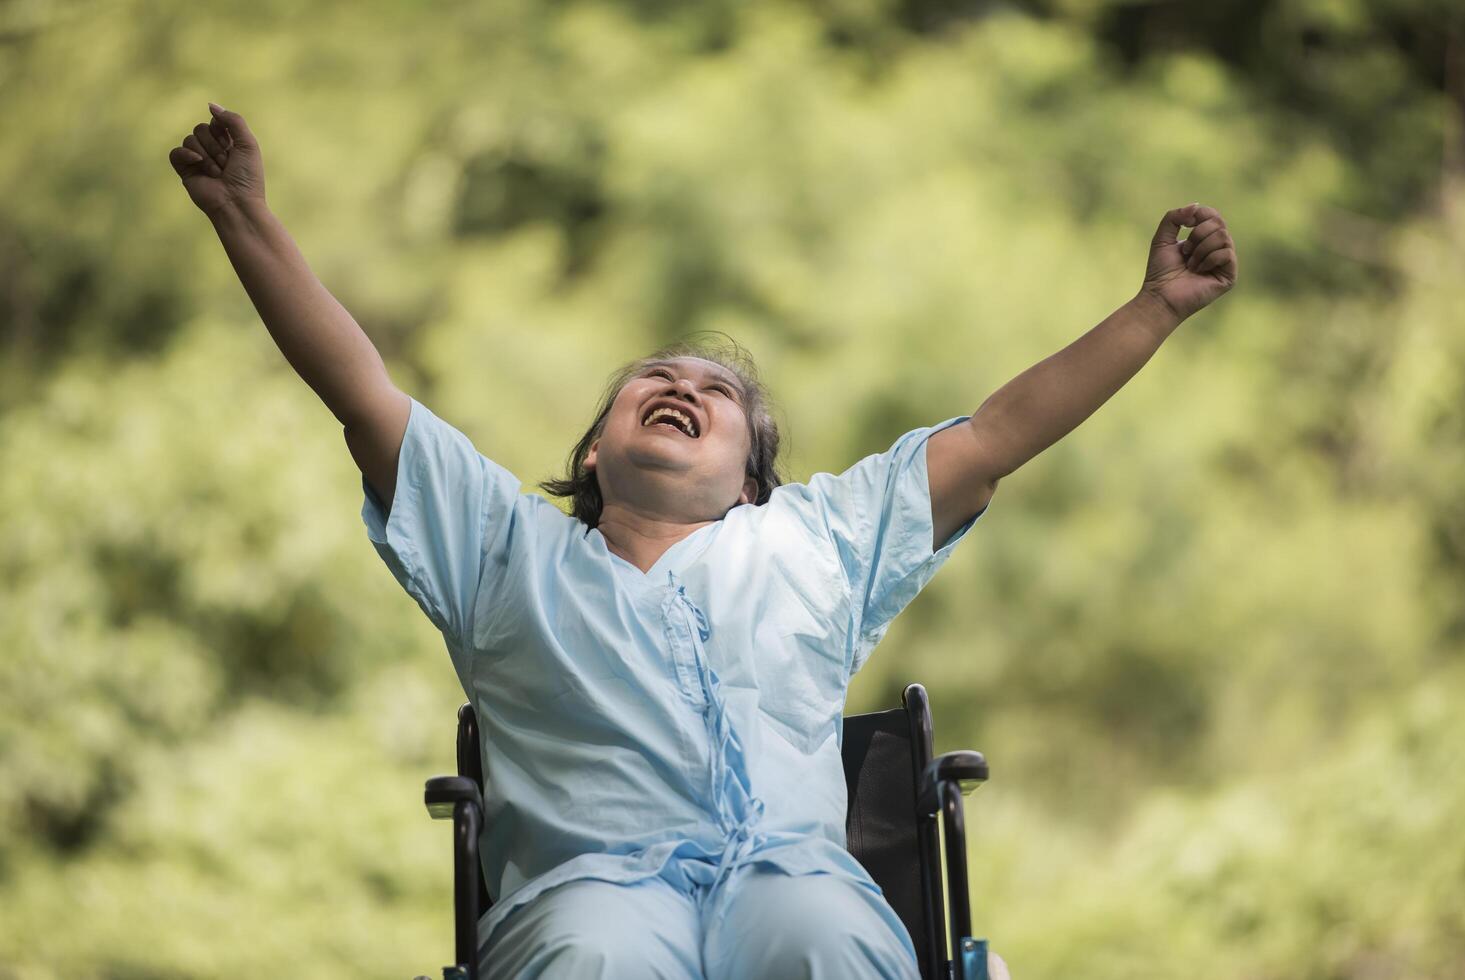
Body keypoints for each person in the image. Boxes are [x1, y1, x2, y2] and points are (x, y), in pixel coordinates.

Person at [171, 103, 1235, 980]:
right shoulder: (500, 552)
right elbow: (359, 390)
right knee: (593, 952)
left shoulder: (817, 539)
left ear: (750, 478)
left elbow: (998, 434)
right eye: (657, 380)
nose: (683, 386)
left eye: (716, 392)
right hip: (587, 892)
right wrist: (242, 217)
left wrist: (1152, 308)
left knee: (817, 932)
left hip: (791, 880)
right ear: (593, 451)